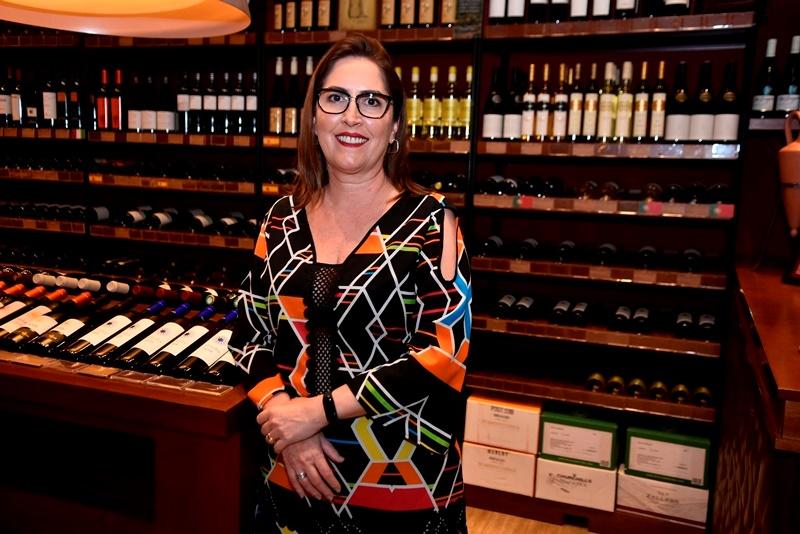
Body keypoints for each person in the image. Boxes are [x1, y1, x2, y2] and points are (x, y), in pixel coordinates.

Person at [230, 34, 472, 533]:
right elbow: (249, 336)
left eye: (372, 101)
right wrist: (287, 420)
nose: (352, 117)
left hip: (403, 486)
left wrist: (316, 414)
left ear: (395, 124)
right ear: (313, 118)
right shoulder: (279, 221)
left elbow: (443, 356)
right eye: (336, 98)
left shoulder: (433, 223)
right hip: (292, 472)